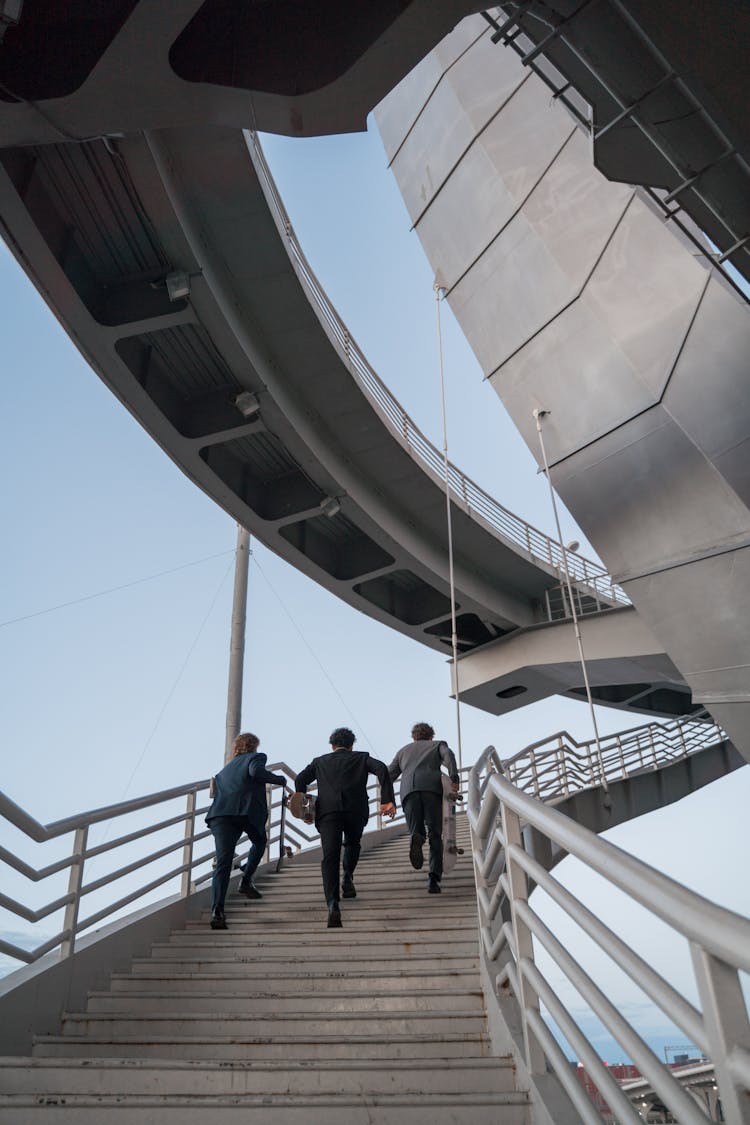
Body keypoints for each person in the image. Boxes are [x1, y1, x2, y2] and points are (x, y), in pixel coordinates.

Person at [295, 727, 396, 928]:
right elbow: (382, 769)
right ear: (351, 745)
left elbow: (300, 779)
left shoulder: (320, 761)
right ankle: (348, 878)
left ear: (332, 745)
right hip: (355, 810)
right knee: (352, 844)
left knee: (330, 856)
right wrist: (387, 800)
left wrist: (305, 808)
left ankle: (333, 904)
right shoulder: (361, 757)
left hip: (328, 812)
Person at [205, 732, 286, 930]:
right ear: (254, 746)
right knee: (259, 841)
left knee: (223, 864)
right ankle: (246, 880)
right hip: (244, 812)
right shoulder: (256, 757)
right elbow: (255, 772)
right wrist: (279, 779)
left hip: (221, 815)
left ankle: (217, 911)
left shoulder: (224, 770)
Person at [389, 722, 459, 894]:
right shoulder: (438, 745)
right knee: (435, 833)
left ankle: (417, 836)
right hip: (431, 789)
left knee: (416, 829)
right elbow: (448, 755)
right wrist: (454, 777)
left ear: (413, 737)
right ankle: (433, 879)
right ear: (431, 736)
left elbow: (388, 775)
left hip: (408, 791)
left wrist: (386, 799)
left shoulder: (403, 751)